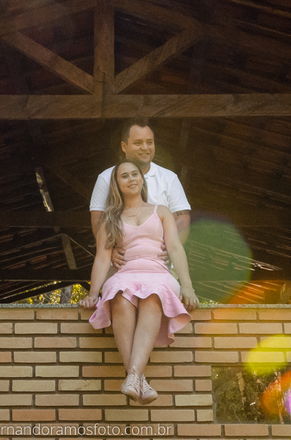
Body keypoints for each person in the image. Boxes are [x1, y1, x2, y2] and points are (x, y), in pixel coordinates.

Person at [80, 160, 198, 405]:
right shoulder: (110, 218)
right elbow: (103, 259)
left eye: (135, 174)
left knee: (155, 293)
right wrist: (93, 293)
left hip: (158, 272)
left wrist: (187, 285)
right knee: (118, 294)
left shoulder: (161, 211)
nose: (132, 178)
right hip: (125, 273)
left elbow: (175, 248)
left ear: (142, 179)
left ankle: (133, 376)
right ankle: (137, 378)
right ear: (117, 184)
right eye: (125, 176)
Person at [90, 119, 191, 264]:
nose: (145, 147)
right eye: (138, 143)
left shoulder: (169, 178)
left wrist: (172, 248)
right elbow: (98, 218)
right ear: (124, 146)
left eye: (149, 142)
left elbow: (182, 218)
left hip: (160, 265)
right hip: (120, 266)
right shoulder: (106, 178)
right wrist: (108, 251)